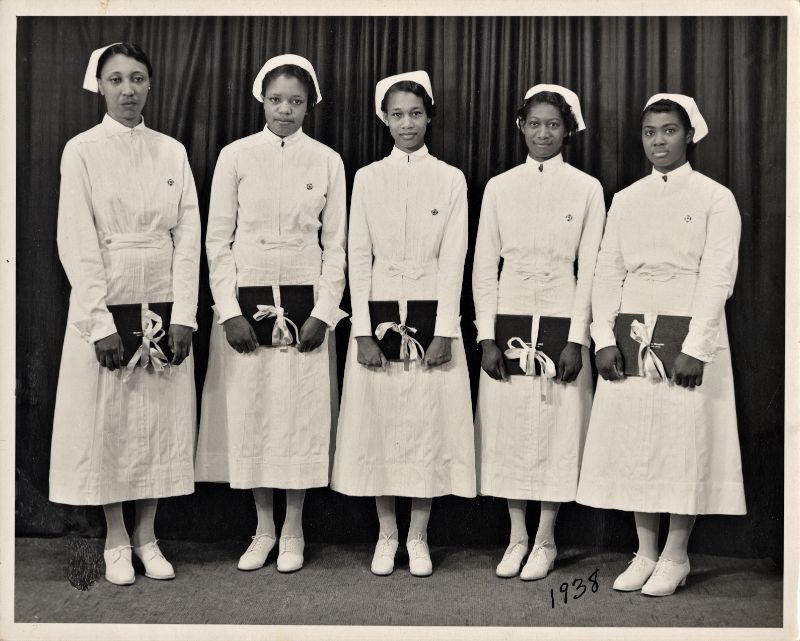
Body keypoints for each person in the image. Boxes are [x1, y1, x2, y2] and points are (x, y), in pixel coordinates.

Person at [576, 93, 746, 596]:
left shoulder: (716, 197)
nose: (658, 141)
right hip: (633, 328)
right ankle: (644, 550)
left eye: (668, 131)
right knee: (638, 442)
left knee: (683, 440)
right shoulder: (626, 198)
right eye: (650, 132)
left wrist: (697, 345)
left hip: (689, 323)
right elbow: (607, 270)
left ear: (689, 134)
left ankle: (676, 553)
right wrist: (602, 337)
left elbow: (718, 277)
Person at [49, 42, 201, 585]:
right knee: (109, 418)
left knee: (158, 419)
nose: (129, 90)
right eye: (116, 80)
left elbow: (188, 236)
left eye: (137, 78)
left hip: (160, 292)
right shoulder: (82, 150)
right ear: (101, 86)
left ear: (151, 84)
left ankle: (148, 536)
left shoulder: (171, 151)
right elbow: (76, 238)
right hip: (107, 291)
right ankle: (115, 535)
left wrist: (184, 313)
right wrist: (100, 321)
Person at [195, 54, 347, 573]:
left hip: (305, 304)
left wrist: (325, 312)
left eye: (296, 101)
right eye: (277, 100)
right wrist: (229, 311)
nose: (286, 110)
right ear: (262, 99)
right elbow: (218, 241)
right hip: (247, 302)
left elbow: (338, 246)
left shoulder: (327, 160)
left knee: (300, 416)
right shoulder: (235, 156)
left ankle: (294, 528)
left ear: (311, 105)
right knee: (255, 413)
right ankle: (262, 527)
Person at [331, 71, 475, 577]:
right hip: (381, 311)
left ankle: (418, 535)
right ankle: (386, 532)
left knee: (426, 426)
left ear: (429, 116)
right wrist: (365, 331)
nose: (407, 123)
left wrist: (445, 330)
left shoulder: (450, 178)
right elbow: (360, 255)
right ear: (383, 118)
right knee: (381, 425)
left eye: (415, 113)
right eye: (397, 114)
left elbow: (454, 256)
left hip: (431, 314)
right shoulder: (367, 178)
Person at [473, 84, 605, 580]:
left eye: (553, 124)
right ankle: (516, 536)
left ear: (567, 129)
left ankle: (546, 537)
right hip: (509, 308)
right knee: (508, 424)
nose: (543, 133)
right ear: (521, 127)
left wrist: (578, 338)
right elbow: (485, 265)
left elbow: (591, 268)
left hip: (560, 307)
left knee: (556, 424)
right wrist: (487, 335)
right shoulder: (500, 186)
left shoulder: (586, 188)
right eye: (535, 124)